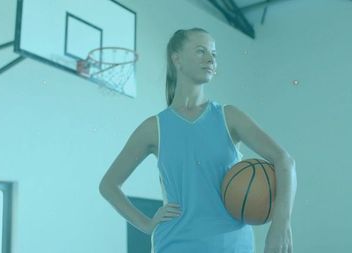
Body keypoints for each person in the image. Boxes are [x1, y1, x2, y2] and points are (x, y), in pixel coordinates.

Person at [99, 28, 297, 253]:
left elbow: (284, 161)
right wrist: (146, 225)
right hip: (175, 245)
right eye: (201, 51)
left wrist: (281, 224)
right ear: (177, 59)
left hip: (232, 245)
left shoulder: (228, 117)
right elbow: (108, 186)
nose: (211, 58)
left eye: (214, 53)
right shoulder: (154, 128)